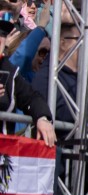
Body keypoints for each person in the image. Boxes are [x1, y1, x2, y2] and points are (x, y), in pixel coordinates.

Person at [0, 15, 54, 146]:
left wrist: (42, 118)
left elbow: (31, 97)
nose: (0, 39)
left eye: (2, 34)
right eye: (41, 52)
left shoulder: (8, 69)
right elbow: (24, 55)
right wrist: (40, 27)